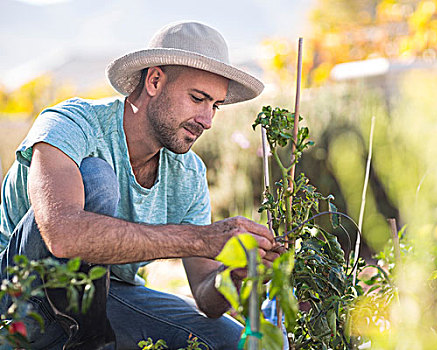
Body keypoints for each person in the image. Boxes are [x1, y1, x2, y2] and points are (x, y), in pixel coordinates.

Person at [0, 21, 284, 349]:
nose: (207, 120)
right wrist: (199, 239)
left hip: (107, 296)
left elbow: (206, 296)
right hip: (19, 295)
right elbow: (61, 233)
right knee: (96, 177)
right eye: (198, 99)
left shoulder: (188, 174)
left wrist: (238, 272)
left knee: (230, 341)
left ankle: (90, 338)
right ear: (154, 80)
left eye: (215, 106)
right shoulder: (72, 123)